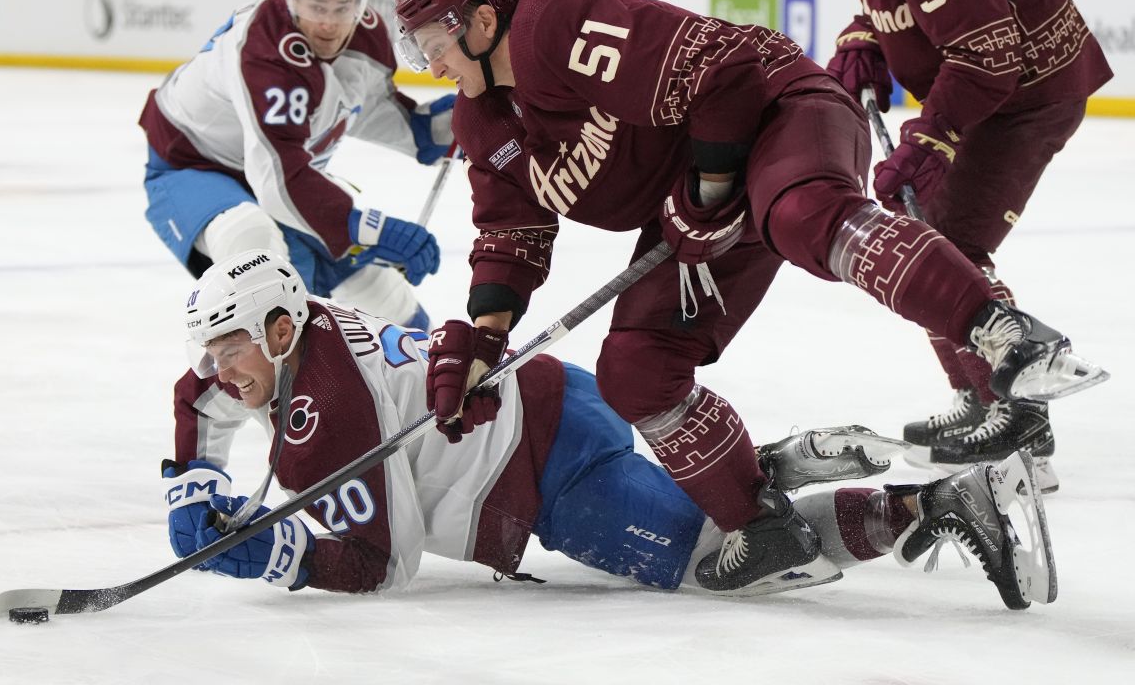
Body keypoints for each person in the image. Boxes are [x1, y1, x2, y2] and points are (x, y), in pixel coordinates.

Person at [389, 0, 1105, 592]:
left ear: (481, 22)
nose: (431, 65)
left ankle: (1000, 330)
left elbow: (723, 73)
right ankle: (762, 525)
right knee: (635, 367)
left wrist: (708, 190)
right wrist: (481, 345)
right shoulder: (481, 122)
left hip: (779, 113)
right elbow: (510, 236)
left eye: (433, 43)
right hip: (699, 203)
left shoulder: (558, 25)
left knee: (802, 215)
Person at [163, 249, 1055, 610]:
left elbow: (377, 564)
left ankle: (945, 500)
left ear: (280, 330)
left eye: (230, 348)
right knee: (721, 514)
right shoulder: (308, 319)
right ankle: (782, 460)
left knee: (723, 564)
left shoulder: (318, 417)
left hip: (547, 475)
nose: (219, 371)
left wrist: (272, 553)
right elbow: (198, 393)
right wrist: (189, 476)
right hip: (555, 399)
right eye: (213, 354)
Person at [816, 0, 1113, 491]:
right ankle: (980, 398)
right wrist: (866, 37)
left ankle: (1021, 423)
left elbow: (988, 52)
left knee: (948, 247)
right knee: (927, 240)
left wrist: (932, 139)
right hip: (993, 84)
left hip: (1027, 93)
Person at [140, 0, 450, 330]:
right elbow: (280, 178)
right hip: (192, 167)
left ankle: (424, 381)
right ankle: (249, 382)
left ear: (360, 4)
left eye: (342, 8)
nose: (327, 24)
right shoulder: (265, 47)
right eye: (315, 6)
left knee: (384, 298)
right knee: (255, 251)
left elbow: (368, 110)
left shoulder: (369, 38)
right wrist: (373, 228)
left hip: (278, 175)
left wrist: (439, 129)